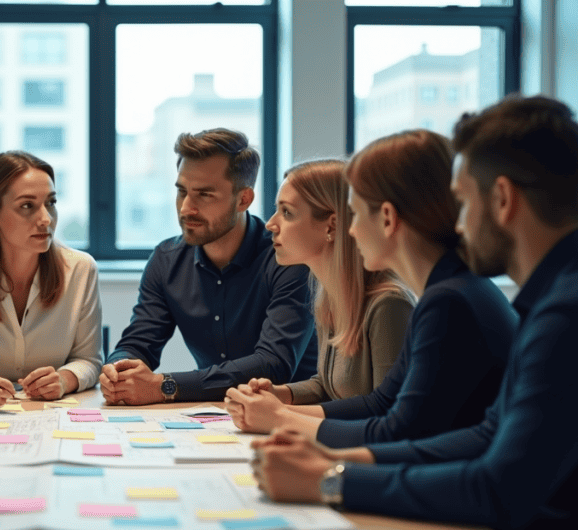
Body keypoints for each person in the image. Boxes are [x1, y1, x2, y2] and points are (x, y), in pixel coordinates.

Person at [250, 95, 578, 530]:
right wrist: (336, 459)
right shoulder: (539, 299)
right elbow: (484, 434)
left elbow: (496, 489)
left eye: (463, 202)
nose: (458, 223)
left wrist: (332, 479)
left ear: (503, 199)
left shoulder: (555, 314)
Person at [228, 130, 516, 447]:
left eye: (357, 213)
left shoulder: (446, 301)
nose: (352, 230)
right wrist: (281, 408)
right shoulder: (449, 291)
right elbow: (382, 406)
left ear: (388, 218)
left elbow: (394, 430)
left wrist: (283, 421)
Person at [100, 128, 317, 405]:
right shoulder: (167, 260)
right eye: (182, 192)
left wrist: (165, 386)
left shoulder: (287, 259)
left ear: (244, 199)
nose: (186, 208)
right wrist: (119, 370)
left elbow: (273, 364)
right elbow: (139, 342)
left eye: (204, 195)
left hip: (290, 415)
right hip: (212, 415)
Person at [0, 151, 102, 410]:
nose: (46, 219)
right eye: (27, 206)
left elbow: (89, 359)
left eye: (51, 203)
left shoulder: (80, 269)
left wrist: (64, 381)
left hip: (53, 414)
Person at [251, 159, 414, 406]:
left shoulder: (389, 304)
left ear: (332, 225)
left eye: (287, 212)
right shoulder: (328, 294)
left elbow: (388, 411)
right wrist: (280, 394)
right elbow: (329, 386)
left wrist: (282, 416)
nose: (271, 224)